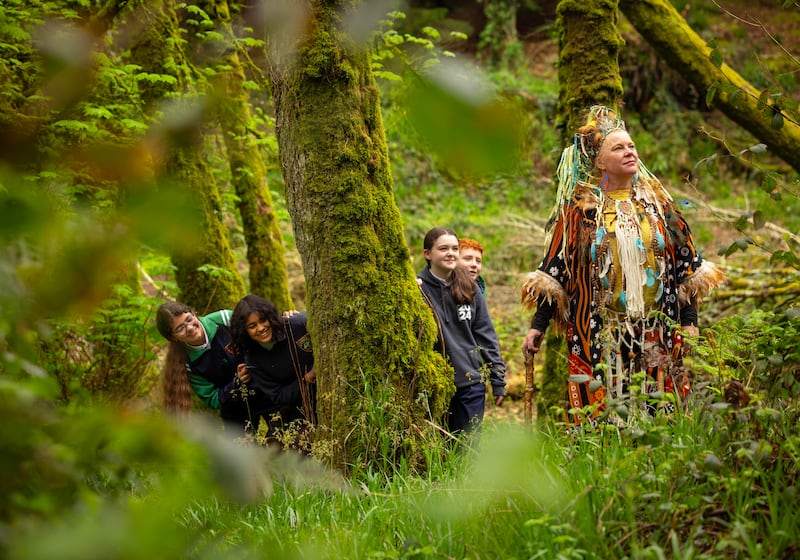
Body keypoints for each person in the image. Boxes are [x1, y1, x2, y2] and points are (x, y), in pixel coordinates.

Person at [520, 105, 726, 426]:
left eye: (631, 146)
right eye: (618, 148)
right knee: (601, 418)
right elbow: (556, 271)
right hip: (601, 332)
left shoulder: (659, 205)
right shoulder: (580, 210)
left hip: (656, 328)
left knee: (660, 411)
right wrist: (538, 326)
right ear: (600, 161)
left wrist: (689, 319)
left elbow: (685, 267)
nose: (629, 152)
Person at [418, 227, 507, 434]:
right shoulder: (417, 289)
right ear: (427, 254)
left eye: (455, 248)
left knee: (467, 451)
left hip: (470, 383)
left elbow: (486, 336)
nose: (450, 253)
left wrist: (498, 379)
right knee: (437, 451)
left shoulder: (470, 288)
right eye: (443, 248)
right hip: (433, 384)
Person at [156, 301, 274, 433]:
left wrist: (289, 320)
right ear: (173, 338)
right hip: (235, 407)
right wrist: (237, 382)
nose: (189, 327)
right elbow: (212, 399)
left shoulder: (224, 319)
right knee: (239, 449)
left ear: (194, 313)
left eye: (189, 319)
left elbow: (261, 328)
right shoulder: (186, 363)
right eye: (180, 328)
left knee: (287, 437)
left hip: (268, 389)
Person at [230, 294, 316, 434]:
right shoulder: (253, 360)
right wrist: (308, 378)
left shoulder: (297, 324)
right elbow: (278, 396)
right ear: (244, 330)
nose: (261, 328)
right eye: (252, 326)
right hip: (297, 412)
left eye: (263, 320)